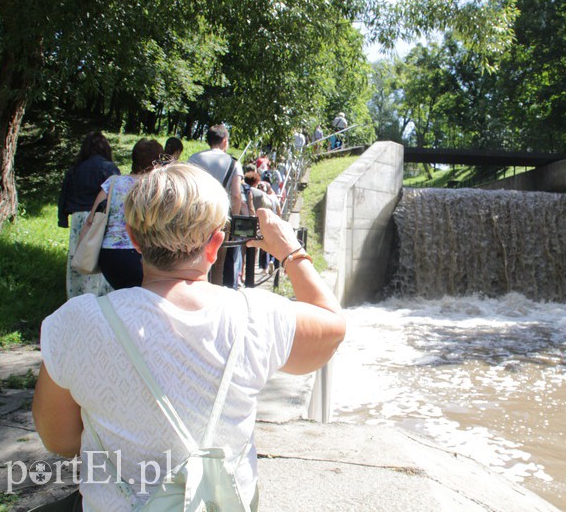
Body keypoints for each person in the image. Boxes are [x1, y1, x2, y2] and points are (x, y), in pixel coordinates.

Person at [32, 163, 346, 510]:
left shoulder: (77, 322)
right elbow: (332, 326)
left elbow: (59, 438)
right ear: (215, 245)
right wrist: (291, 252)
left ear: (134, 240)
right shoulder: (257, 316)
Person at [87, 138, 163, 290]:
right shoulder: (156, 186)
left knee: (123, 297)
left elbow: (92, 218)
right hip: (141, 255)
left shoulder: (113, 182)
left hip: (108, 255)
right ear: (157, 162)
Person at [58, 132, 120, 298]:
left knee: (78, 256)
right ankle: (101, 297)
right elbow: (115, 193)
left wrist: (62, 219)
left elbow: (64, 196)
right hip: (100, 216)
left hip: (78, 218)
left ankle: (78, 296)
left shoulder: (74, 170)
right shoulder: (109, 168)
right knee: (98, 256)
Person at [187, 124, 243, 288]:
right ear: (225, 141)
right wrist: (234, 221)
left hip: (196, 217)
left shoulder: (193, 159)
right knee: (217, 262)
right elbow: (236, 194)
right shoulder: (233, 163)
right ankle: (214, 294)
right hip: (221, 218)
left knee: (194, 259)